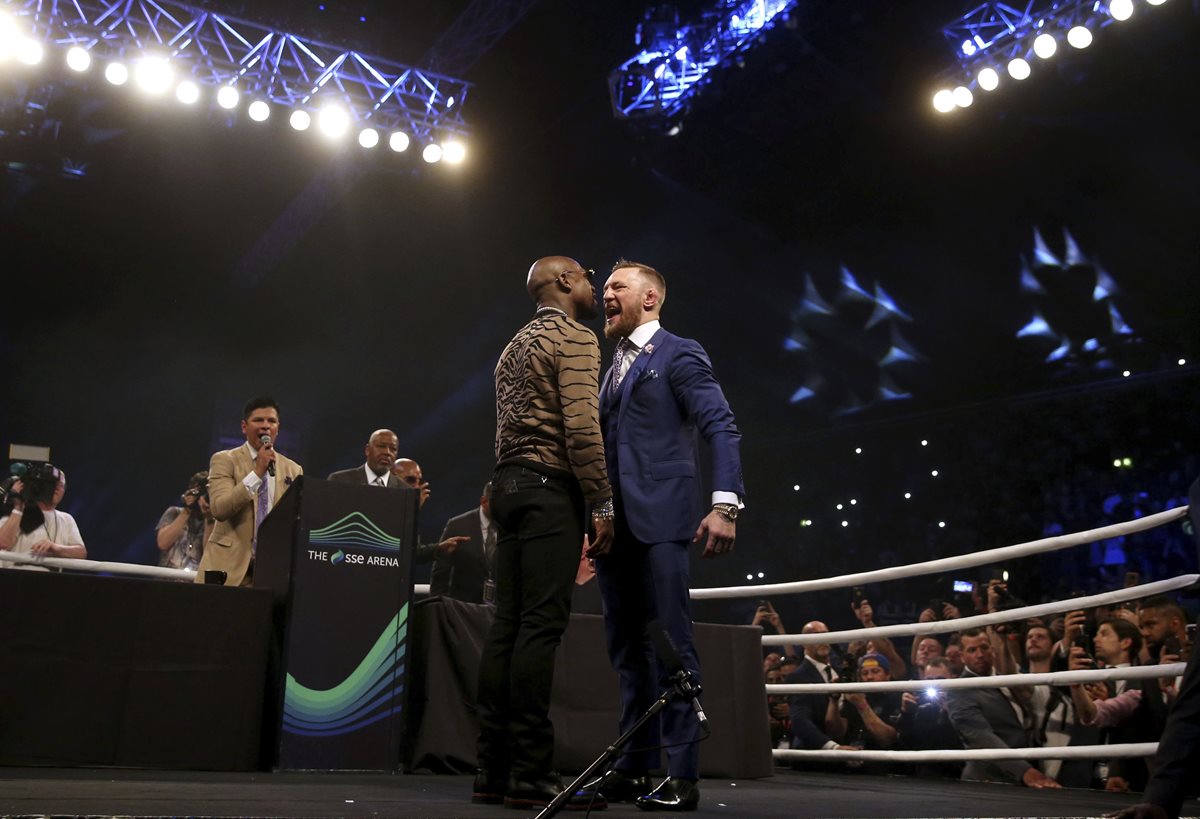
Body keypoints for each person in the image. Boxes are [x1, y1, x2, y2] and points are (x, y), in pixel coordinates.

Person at [588, 259, 744, 812]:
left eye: (616, 286)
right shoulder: (612, 367)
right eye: (604, 286)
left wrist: (725, 503)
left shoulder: (678, 351)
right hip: (616, 532)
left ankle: (682, 776)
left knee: (672, 646)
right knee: (627, 650)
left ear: (650, 298)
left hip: (662, 523)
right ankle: (634, 768)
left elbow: (719, 422)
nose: (604, 293)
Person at [473, 256, 614, 811]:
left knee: (507, 628)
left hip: (506, 489)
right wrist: (602, 501)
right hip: (549, 489)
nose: (593, 283)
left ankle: (494, 769)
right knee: (539, 628)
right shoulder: (575, 337)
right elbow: (582, 426)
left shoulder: (513, 345)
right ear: (562, 282)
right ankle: (532, 773)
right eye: (584, 275)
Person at [195, 396, 303, 587]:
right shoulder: (224, 460)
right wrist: (257, 472)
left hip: (271, 573)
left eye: (271, 421)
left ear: (278, 428)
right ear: (244, 427)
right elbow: (220, 509)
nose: (265, 425)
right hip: (228, 570)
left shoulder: (293, 470)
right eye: (258, 420)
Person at [945, 628, 1060, 788]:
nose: (979, 654)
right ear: (962, 656)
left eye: (984, 647)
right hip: (988, 780)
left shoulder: (1006, 678)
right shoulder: (959, 691)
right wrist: (1026, 772)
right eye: (972, 650)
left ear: (992, 649)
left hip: (1023, 777)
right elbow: (982, 738)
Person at [0, 464, 86, 569]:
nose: (56, 489)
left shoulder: (67, 519)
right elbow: (2, 544)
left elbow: (81, 553)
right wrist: (18, 508)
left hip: (49, 581)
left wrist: (55, 548)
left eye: (61, 485)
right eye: (52, 484)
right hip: (14, 579)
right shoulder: (15, 513)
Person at [431, 484, 495, 604]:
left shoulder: (512, 526)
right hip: (463, 609)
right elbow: (440, 572)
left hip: (501, 611)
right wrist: (438, 607)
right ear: (484, 501)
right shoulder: (457, 525)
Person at [155, 471, 213, 571]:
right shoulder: (174, 512)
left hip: (194, 582)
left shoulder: (213, 522)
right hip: (166, 580)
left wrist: (209, 517)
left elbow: (210, 554)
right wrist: (187, 510)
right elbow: (162, 543)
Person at [327, 429, 403, 487]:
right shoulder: (339, 480)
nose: (387, 452)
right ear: (367, 450)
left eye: (393, 449)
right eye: (381, 446)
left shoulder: (405, 490)